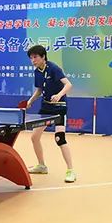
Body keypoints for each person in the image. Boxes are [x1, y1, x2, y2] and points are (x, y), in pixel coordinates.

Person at [25, 44, 76, 183]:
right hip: (46, 107)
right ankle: (42, 166)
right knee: (34, 137)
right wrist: (30, 101)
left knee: (60, 138)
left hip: (59, 107)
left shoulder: (53, 68)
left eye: (35, 57)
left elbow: (68, 84)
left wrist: (59, 95)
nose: (33, 60)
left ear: (43, 57)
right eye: (31, 58)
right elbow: (39, 90)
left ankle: (70, 170)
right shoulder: (37, 72)